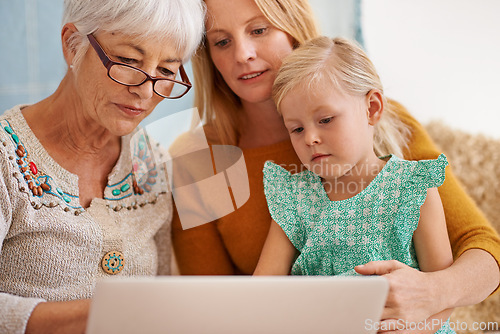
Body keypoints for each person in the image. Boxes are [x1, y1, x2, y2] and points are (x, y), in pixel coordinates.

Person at [171, 0, 500, 331]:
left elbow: (485, 252)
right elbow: (212, 308)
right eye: (221, 41)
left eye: (259, 29)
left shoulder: (384, 123)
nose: (242, 54)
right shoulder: (200, 161)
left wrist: (431, 294)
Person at [0, 0, 204, 333]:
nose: (144, 91)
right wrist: (106, 315)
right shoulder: (5, 159)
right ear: (72, 44)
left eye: (166, 71)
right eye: (128, 61)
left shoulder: (153, 166)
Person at [253, 36, 455, 333]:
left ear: (371, 108)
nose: (310, 138)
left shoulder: (413, 188)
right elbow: (261, 292)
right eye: (296, 129)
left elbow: (442, 296)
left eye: (325, 119)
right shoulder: (293, 199)